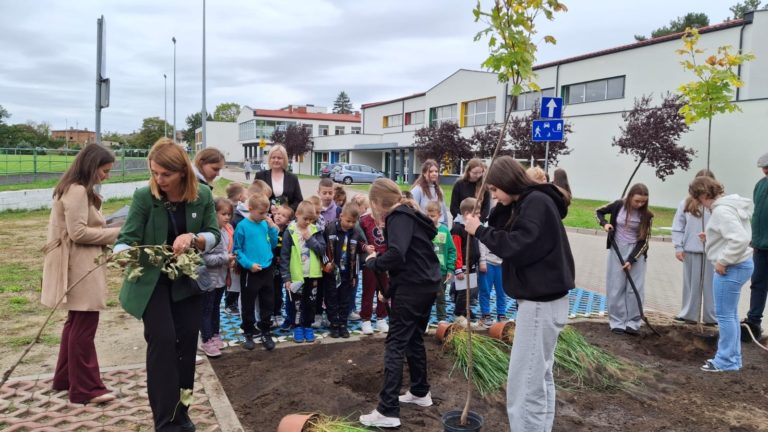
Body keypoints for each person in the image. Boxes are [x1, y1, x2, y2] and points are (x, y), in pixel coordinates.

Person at [115, 138, 220, 431]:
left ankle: (181, 413)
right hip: (152, 282)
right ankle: (165, 422)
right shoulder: (144, 197)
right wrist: (120, 253)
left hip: (187, 279)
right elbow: (126, 237)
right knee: (162, 341)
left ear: (183, 172)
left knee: (186, 344)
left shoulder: (202, 195)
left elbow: (214, 233)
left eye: (166, 174)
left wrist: (194, 238)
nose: (159, 180)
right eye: (154, 173)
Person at [463, 156, 574, 432]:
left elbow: (517, 245)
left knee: (525, 383)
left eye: (494, 189)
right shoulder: (530, 201)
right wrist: (499, 206)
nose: (493, 196)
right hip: (545, 302)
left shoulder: (535, 203)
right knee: (538, 377)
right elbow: (504, 226)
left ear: (507, 182)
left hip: (540, 304)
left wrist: (480, 231)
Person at [41, 144, 121, 405]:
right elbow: (78, 233)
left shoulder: (74, 188)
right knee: (84, 326)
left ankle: (66, 379)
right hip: (78, 265)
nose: (106, 176)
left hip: (77, 263)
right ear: (91, 166)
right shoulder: (76, 191)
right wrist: (117, 233)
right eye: (104, 170)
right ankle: (86, 389)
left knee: (75, 323)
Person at [359, 178, 441, 429]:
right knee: (413, 338)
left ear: (376, 202)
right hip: (426, 285)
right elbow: (410, 259)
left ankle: (388, 410)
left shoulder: (398, 217)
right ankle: (419, 391)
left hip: (413, 288)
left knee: (395, 344)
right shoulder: (411, 214)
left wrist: (374, 262)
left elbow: (397, 255)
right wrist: (391, 291)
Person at [689, 176, 754, 372]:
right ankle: (733, 359)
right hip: (742, 264)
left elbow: (740, 239)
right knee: (730, 315)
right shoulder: (731, 205)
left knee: (724, 316)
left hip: (732, 267)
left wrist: (722, 260)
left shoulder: (721, 211)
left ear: (703, 195)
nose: (700, 204)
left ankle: (725, 361)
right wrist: (711, 237)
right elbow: (734, 234)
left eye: (698, 199)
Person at [596, 183, 653, 335]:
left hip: (636, 253)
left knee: (634, 289)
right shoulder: (618, 205)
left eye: (643, 202)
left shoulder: (647, 215)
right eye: (637, 201)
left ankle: (633, 322)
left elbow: (644, 241)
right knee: (616, 286)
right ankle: (617, 321)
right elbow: (598, 212)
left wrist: (631, 260)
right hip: (617, 250)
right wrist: (605, 224)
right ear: (630, 197)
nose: (640, 204)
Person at [233, 193, 279, 351]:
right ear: (250, 209)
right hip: (251, 271)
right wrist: (248, 264)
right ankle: (248, 331)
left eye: (266, 213)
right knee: (248, 303)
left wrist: (272, 229)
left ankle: (265, 330)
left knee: (268, 302)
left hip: (267, 268)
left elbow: (273, 244)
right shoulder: (242, 226)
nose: (264, 216)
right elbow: (237, 250)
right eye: (261, 213)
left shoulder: (265, 224)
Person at [672, 169, 716, 325]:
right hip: (691, 250)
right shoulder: (685, 203)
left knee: (711, 285)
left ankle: (712, 316)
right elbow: (678, 226)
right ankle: (689, 314)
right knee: (691, 284)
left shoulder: (718, 204)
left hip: (712, 251)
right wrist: (678, 247)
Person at [281, 201, 326, 343]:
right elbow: (284, 256)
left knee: (311, 302)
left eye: (311, 219)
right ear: (297, 214)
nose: (308, 222)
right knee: (296, 304)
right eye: (305, 219)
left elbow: (322, 250)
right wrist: (286, 277)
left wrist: (310, 239)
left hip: (312, 276)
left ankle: (308, 326)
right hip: (296, 277)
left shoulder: (315, 230)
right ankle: (297, 327)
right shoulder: (290, 231)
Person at [199, 198, 233, 358]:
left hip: (220, 279)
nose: (227, 217)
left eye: (229, 214)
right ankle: (206, 340)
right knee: (206, 310)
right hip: (208, 281)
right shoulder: (207, 235)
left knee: (215, 308)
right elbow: (204, 259)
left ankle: (214, 334)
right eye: (223, 214)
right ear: (213, 214)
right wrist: (226, 258)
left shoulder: (226, 231)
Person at [323, 203, 362, 338]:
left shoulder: (355, 232)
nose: (350, 224)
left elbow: (356, 255)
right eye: (348, 221)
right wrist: (326, 263)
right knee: (332, 298)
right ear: (341, 216)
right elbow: (323, 248)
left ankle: (343, 324)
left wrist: (354, 275)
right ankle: (334, 324)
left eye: (353, 222)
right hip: (332, 272)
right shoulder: (330, 228)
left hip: (347, 273)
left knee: (345, 299)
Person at [742, 152, 768, 341]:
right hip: (760, 247)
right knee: (758, 284)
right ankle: (753, 322)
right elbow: (757, 213)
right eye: (763, 168)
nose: (765, 171)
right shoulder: (760, 185)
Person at [359, 198, 390, 335]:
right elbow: (358, 239)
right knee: (368, 290)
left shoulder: (388, 219)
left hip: (385, 260)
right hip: (370, 261)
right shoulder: (364, 220)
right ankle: (366, 320)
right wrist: (365, 247)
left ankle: (381, 318)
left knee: (384, 290)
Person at [425, 201, 456, 323]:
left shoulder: (444, 231)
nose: (430, 218)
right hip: (426, 270)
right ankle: (424, 320)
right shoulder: (423, 230)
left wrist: (450, 269)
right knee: (425, 297)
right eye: (428, 216)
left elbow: (452, 250)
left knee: (440, 296)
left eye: (433, 216)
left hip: (441, 271)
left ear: (439, 215)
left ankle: (442, 319)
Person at [254, 144, 303, 212]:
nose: (276, 160)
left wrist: (286, 211)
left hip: (287, 217)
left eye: (279, 158)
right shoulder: (260, 176)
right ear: (269, 159)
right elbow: (254, 198)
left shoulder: (293, 178)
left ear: (284, 160)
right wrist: (269, 208)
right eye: (273, 157)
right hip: (265, 216)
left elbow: (299, 201)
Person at [224, 182, 249, 315]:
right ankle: (229, 303)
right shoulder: (235, 214)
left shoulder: (235, 211)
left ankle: (231, 302)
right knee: (232, 278)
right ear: (240, 197)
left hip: (233, 249)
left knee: (233, 278)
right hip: (232, 250)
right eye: (246, 194)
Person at [272, 204, 294, 329]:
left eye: (283, 215)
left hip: (283, 267)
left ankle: (278, 313)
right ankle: (271, 313)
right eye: (278, 213)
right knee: (271, 291)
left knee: (279, 291)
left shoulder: (288, 233)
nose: (279, 216)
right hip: (270, 266)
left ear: (289, 221)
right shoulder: (270, 229)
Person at [411, 159, 449, 226]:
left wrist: (445, 226)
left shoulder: (439, 190)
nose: (434, 174)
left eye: (436, 171)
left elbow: (443, 212)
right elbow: (412, 211)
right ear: (424, 173)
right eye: (431, 171)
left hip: (439, 227)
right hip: (424, 226)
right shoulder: (418, 190)